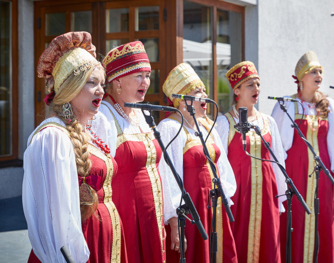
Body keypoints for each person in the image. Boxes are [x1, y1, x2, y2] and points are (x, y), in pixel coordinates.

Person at [22, 32, 127, 262]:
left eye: (102, 83)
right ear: (69, 87)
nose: (100, 90)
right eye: (91, 82)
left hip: (107, 239)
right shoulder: (52, 138)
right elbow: (52, 219)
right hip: (79, 247)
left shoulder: (92, 129)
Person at [271, 51, 334, 263]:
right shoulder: (286, 105)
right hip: (295, 175)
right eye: (313, 71)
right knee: (296, 219)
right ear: (301, 77)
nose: (319, 75)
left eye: (320, 71)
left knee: (324, 218)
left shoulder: (328, 105)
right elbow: (275, 145)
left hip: (324, 175)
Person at [158, 63, 238, 263]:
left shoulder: (205, 125)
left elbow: (223, 168)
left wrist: (225, 198)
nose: (204, 95)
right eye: (197, 91)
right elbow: (169, 179)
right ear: (182, 99)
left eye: (204, 90)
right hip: (192, 212)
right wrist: (176, 222)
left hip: (214, 207)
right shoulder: (170, 127)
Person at [94, 41, 165, 263]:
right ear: (117, 82)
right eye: (138, 76)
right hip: (124, 213)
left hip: (151, 212)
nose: (146, 82)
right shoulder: (102, 117)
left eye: (148, 75)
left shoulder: (141, 114)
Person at [215, 61, 287, 263]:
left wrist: (280, 197)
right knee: (238, 242)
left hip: (267, 193)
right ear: (236, 90)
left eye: (258, 84)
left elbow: (277, 160)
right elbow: (218, 166)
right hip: (239, 196)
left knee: (268, 243)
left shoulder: (268, 121)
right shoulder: (224, 122)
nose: (257, 89)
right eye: (250, 85)